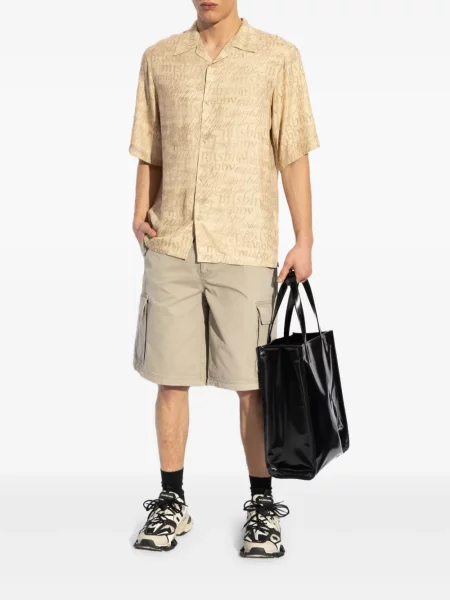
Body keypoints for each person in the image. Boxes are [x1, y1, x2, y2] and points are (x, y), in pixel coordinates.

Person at [129, 0, 319, 558]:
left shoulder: (277, 57)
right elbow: (149, 147)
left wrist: (304, 239)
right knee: (170, 379)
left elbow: (293, 153)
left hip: (244, 244)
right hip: (172, 243)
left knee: (253, 386)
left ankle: (262, 506)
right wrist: (138, 211)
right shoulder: (160, 58)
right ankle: (171, 500)